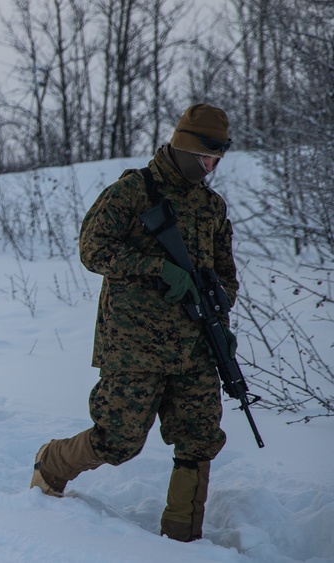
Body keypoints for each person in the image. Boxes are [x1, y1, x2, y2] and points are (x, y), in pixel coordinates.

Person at [30, 103, 238, 542]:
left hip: (195, 343)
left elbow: (226, 274)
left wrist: (220, 309)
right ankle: (52, 463)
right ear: (183, 148)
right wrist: (157, 269)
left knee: (200, 437)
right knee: (119, 440)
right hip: (134, 343)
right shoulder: (134, 191)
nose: (211, 168)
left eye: (217, 160)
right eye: (205, 158)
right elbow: (92, 249)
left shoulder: (211, 207)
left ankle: (182, 537)